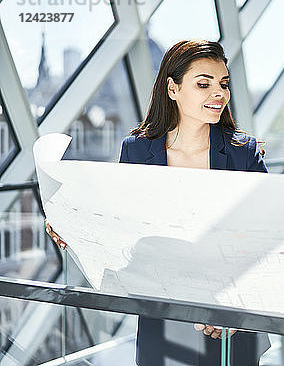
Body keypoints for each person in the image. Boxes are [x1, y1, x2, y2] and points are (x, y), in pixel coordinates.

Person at [46, 40, 270, 366]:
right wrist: (72, 226)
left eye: (223, 84)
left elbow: (271, 235)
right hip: (162, 314)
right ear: (173, 88)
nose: (219, 93)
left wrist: (235, 303)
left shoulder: (242, 152)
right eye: (203, 84)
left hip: (227, 321)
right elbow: (119, 226)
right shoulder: (137, 151)